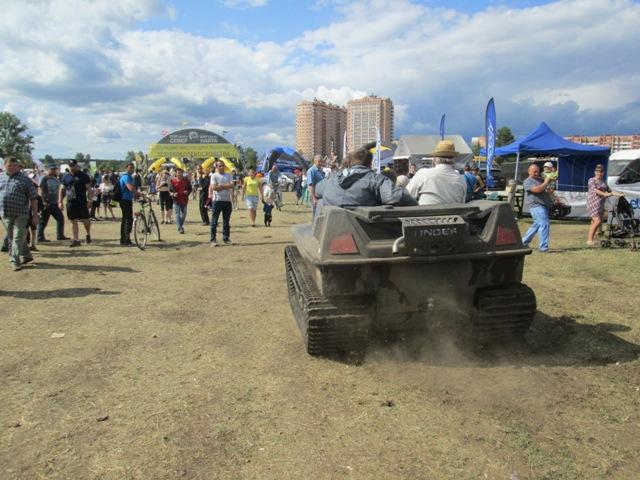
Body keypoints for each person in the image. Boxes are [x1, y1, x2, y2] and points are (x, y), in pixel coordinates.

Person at [315, 146, 417, 208]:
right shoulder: (376, 181)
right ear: (370, 163)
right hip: (364, 233)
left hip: (331, 230)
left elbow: (317, 191)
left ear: (351, 162)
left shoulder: (332, 179)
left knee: (320, 202)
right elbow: (398, 197)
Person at [0, 157, 38, 271]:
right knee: (13, 236)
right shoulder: (1, 177)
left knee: (17, 237)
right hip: (5, 213)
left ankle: (14, 261)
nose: (13, 168)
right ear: (5, 166)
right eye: (10, 165)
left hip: (21, 214)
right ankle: (27, 255)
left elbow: (34, 198)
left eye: (15, 165)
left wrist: (35, 215)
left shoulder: (25, 180)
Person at [406, 140, 467, 205]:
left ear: (434, 159)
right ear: (453, 159)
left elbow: (406, 196)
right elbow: (462, 202)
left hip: (427, 211)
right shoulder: (461, 179)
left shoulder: (423, 174)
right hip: (455, 211)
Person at [586, 164, 622, 246]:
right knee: (597, 221)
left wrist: (620, 194)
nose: (599, 173)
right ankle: (589, 241)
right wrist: (604, 194)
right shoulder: (591, 180)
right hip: (592, 204)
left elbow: (611, 191)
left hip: (600, 205)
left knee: (596, 222)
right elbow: (595, 190)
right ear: (595, 172)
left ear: (603, 173)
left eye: (601, 172)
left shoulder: (604, 182)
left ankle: (591, 239)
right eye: (597, 171)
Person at [60, 159, 92, 247]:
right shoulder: (65, 176)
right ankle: (76, 240)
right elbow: (62, 190)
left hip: (82, 201)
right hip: (71, 202)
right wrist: (60, 201)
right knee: (73, 221)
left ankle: (88, 233)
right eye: (71, 166)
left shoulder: (83, 175)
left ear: (77, 166)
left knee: (86, 220)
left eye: (73, 165)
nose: (72, 167)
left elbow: (89, 189)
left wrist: (90, 200)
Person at [521, 164, 553, 253]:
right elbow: (537, 190)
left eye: (537, 171)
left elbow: (545, 190)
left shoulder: (540, 180)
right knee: (544, 224)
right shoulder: (527, 181)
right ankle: (543, 247)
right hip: (536, 205)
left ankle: (523, 242)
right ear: (529, 171)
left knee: (537, 225)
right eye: (534, 172)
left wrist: (549, 190)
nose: (536, 173)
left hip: (544, 205)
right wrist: (545, 183)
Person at [37, 164, 68, 242]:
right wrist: (43, 201)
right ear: (48, 169)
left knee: (60, 219)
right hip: (47, 203)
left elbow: (59, 190)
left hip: (55, 203)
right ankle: (40, 237)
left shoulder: (55, 179)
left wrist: (60, 201)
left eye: (55, 169)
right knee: (43, 221)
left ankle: (60, 235)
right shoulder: (44, 178)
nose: (54, 170)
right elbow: (40, 190)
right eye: (52, 169)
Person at [208, 160, 234, 246]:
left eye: (223, 165)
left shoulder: (229, 175)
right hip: (217, 201)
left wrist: (221, 185)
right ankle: (213, 240)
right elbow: (214, 188)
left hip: (227, 201)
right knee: (214, 221)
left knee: (226, 222)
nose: (222, 167)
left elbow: (232, 185)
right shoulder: (214, 176)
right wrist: (226, 186)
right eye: (220, 166)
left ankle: (226, 238)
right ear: (216, 167)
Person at [118, 162, 138, 246]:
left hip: (127, 200)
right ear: (126, 168)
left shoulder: (130, 177)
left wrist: (136, 195)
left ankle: (124, 239)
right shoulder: (126, 177)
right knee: (127, 220)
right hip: (124, 200)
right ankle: (126, 240)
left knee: (126, 220)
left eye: (133, 168)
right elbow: (130, 188)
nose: (132, 169)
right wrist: (138, 193)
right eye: (130, 168)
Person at [170, 168, 191, 234]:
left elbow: (190, 188)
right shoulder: (172, 181)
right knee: (178, 214)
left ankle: (180, 225)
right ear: (176, 173)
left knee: (184, 214)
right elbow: (170, 191)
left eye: (181, 173)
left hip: (184, 200)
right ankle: (180, 228)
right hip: (176, 200)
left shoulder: (186, 180)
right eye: (179, 173)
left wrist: (187, 192)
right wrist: (173, 194)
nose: (180, 174)